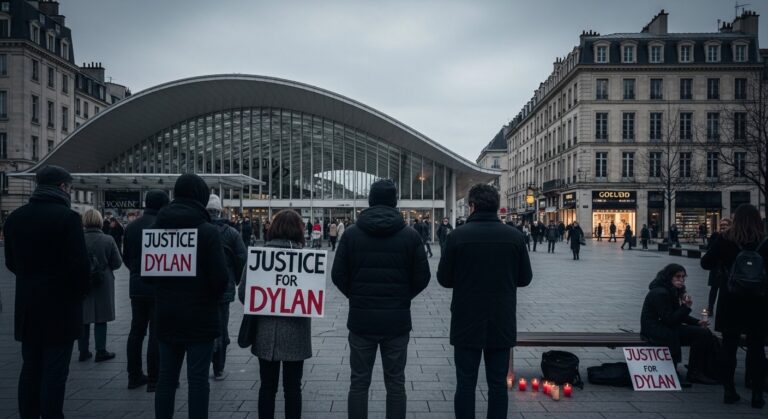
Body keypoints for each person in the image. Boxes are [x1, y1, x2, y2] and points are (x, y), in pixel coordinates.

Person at [332, 179, 431, 419]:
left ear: (370, 200)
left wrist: (356, 296)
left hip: (361, 320)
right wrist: (402, 297)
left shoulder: (352, 234)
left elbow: (338, 275)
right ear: (395, 202)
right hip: (396, 322)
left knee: (358, 382)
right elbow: (423, 277)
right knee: (396, 383)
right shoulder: (410, 235)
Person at [438, 184, 532, 418]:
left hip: (466, 318)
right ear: (495, 206)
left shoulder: (457, 236)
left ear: (472, 206)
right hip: (501, 318)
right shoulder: (514, 236)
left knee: (465, 382)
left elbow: (444, 279)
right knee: (498, 383)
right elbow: (525, 278)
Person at [4, 165, 90, 418]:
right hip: (61, 307)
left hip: (28, 305)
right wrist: (79, 293)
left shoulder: (15, 218)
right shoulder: (68, 218)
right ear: (63, 187)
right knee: (55, 370)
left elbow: (10, 262)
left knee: (30, 367)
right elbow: (79, 266)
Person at [144, 174, 228, 419]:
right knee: (198, 380)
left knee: (166, 379)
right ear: (201, 197)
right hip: (201, 317)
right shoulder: (208, 232)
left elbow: (147, 276)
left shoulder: (156, 230)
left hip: (166, 315)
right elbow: (221, 279)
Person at [238, 209, 312, 419]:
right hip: (296, 333)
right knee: (293, 387)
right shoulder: (305, 259)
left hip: (265, 332)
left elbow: (244, 293)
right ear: (299, 231)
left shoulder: (259, 256)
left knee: (267, 387)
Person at [701, 204, 767, 408]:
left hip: (731, 300)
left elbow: (706, 263)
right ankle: (757, 394)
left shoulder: (726, 239)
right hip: (759, 302)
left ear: (736, 219)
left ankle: (729, 391)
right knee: (757, 348)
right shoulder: (764, 241)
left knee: (729, 347)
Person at [640, 264, 718, 387]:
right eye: (678, 276)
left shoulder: (671, 290)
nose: (681, 280)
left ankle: (700, 369)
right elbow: (670, 319)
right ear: (669, 277)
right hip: (655, 329)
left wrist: (697, 322)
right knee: (701, 333)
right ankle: (695, 372)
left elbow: (676, 315)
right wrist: (686, 307)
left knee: (704, 332)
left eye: (683, 277)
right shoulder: (661, 292)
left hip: (664, 326)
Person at [123, 190, 169, 391]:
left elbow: (126, 256)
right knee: (156, 332)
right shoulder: (165, 226)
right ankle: (154, 378)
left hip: (137, 285)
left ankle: (133, 376)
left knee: (136, 331)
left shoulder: (131, 227)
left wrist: (136, 271)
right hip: (159, 286)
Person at [206, 194, 247, 381]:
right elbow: (242, 259)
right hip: (225, 286)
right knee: (221, 327)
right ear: (220, 211)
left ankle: (201, 362)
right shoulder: (232, 233)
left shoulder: (197, 230)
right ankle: (219, 368)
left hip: (199, 290)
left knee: (200, 326)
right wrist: (236, 280)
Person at [79, 209, 123, 363]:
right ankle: (101, 350)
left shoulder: (77, 239)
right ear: (99, 221)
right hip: (103, 281)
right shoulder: (108, 239)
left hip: (82, 280)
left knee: (83, 316)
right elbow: (117, 263)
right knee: (101, 317)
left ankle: (83, 351)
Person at [704, 218, 731, 316]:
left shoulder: (733, 237)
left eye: (725, 225)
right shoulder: (715, 235)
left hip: (727, 268)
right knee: (714, 288)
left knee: (727, 289)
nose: (723, 227)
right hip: (716, 266)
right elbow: (709, 249)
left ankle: (725, 310)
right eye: (722, 225)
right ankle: (710, 308)